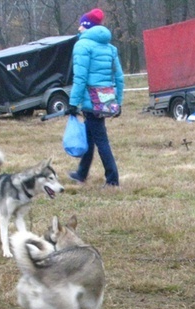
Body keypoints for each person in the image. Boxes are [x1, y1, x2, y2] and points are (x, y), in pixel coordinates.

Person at [66, 8, 124, 187]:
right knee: (90, 136)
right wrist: (118, 102)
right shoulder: (110, 48)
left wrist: (73, 103)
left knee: (100, 140)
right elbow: (119, 77)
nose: (78, 28)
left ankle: (112, 179)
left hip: (90, 100)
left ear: (86, 26)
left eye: (81, 25)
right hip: (105, 99)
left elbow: (80, 78)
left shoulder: (82, 46)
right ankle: (81, 173)